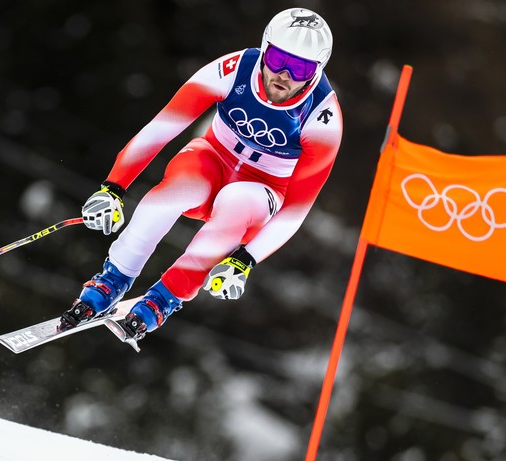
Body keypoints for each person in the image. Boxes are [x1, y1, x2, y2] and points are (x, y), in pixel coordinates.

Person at [60, 7, 343, 341]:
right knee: (174, 191)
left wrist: (245, 261)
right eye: (278, 59)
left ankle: (163, 299)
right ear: (265, 48)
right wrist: (113, 187)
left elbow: (296, 210)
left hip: (261, 189)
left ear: (316, 70)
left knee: (238, 200)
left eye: (299, 68)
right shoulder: (234, 69)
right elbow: (161, 128)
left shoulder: (322, 117)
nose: (283, 74)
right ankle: (112, 279)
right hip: (212, 158)